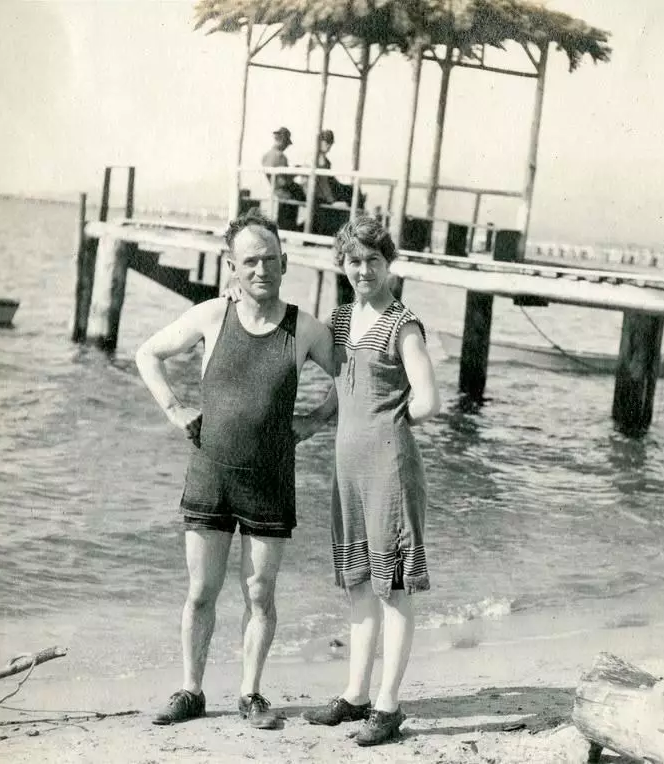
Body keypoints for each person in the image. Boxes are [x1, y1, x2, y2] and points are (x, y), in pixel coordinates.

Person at [135, 209, 335, 728]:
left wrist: (314, 420)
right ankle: (191, 691)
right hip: (211, 476)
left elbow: (353, 374)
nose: (261, 269)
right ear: (231, 267)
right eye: (250, 261)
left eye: (270, 259)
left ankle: (251, 694)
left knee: (260, 592)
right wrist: (176, 410)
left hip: (269, 482)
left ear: (285, 262)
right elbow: (146, 354)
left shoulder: (305, 329)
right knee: (201, 591)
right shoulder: (209, 316)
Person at [303, 214, 440, 746]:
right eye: (354, 261)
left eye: (373, 261)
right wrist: (316, 419)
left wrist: (391, 417)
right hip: (347, 466)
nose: (364, 270)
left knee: (395, 587)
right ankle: (356, 694)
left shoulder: (403, 324)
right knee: (358, 579)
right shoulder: (340, 320)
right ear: (342, 264)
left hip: (390, 466)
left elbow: (428, 400)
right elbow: (344, 384)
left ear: (390, 264)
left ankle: (388, 705)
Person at [262, 127, 305, 230]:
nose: (286, 147)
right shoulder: (280, 156)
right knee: (307, 196)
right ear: (282, 141)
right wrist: (296, 172)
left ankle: (288, 228)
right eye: (286, 143)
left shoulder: (267, 155)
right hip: (283, 190)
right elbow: (282, 181)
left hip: (276, 188)